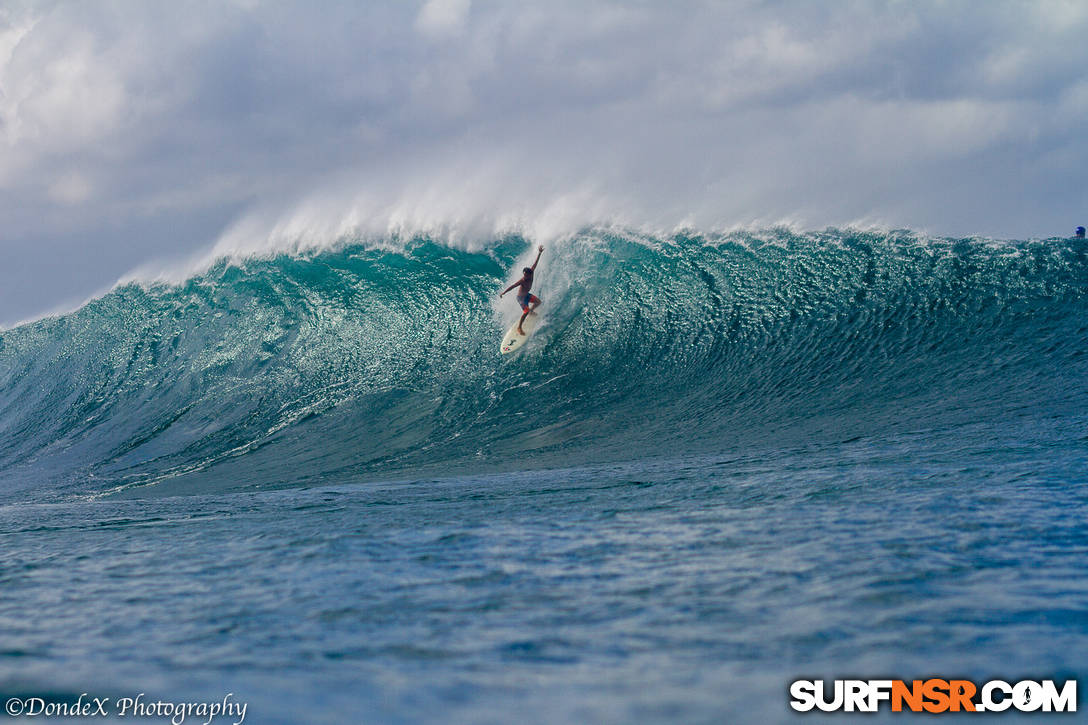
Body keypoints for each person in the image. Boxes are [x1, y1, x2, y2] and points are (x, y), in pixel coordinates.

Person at [499, 245, 544, 335]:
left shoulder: (532, 272)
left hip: (527, 295)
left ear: (529, 273)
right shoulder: (522, 280)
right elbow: (513, 286)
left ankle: (531, 312)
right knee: (526, 311)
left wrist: (539, 253)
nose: (525, 276)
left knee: (538, 302)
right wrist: (504, 292)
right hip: (521, 298)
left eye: (526, 275)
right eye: (524, 275)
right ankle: (519, 327)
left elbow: (535, 263)